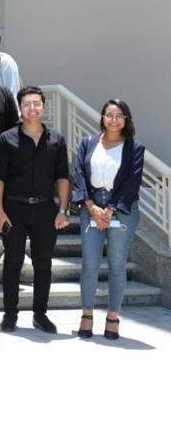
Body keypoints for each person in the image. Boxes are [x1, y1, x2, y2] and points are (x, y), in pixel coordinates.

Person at [0, 86, 71, 334]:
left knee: (43, 264)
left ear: (44, 106)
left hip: (46, 209)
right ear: (20, 108)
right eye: (27, 104)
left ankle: (40, 314)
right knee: (13, 262)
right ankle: (10, 314)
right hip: (14, 207)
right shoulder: (7, 138)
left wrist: (63, 210)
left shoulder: (56, 140)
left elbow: (62, 176)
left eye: (37, 103)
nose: (32, 108)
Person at [72, 99, 145, 340]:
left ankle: (113, 317)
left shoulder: (135, 148)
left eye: (119, 115)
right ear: (102, 117)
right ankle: (87, 314)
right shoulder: (88, 143)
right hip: (91, 208)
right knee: (89, 263)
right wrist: (92, 207)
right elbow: (79, 175)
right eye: (109, 115)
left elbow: (132, 182)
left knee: (117, 264)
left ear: (126, 120)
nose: (114, 120)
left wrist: (110, 209)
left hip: (122, 211)